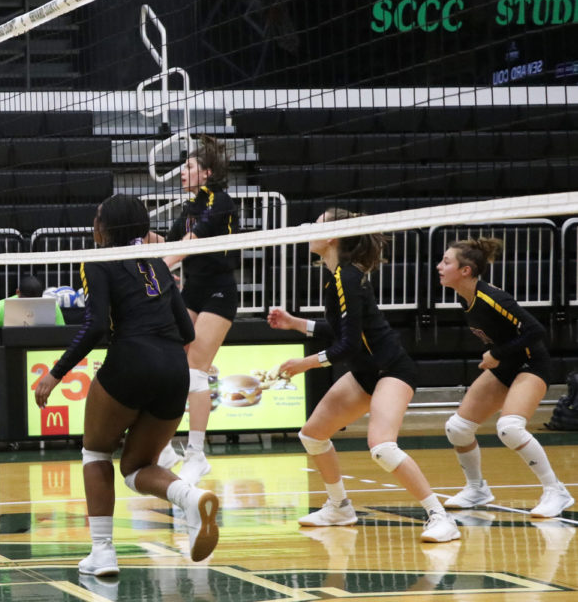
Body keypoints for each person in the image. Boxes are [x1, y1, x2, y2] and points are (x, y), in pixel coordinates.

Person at [34, 195, 220, 575]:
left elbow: (96, 326)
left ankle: (102, 553)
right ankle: (191, 496)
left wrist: (57, 372)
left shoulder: (99, 260)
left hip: (132, 359)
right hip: (174, 368)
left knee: (96, 454)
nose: (93, 221)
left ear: (106, 226)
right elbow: (187, 331)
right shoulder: (157, 264)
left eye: (98, 216)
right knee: (137, 467)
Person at [267, 208, 460, 543]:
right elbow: (344, 331)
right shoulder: (338, 275)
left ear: (332, 237)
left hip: (391, 370)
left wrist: (306, 363)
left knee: (382, 446)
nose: (310, 227)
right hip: (365, 371)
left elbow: (347, 344)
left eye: (318, 223)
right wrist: (296, 323)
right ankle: (339, 506)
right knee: (313, 435)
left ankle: (440, 516)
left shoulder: (346, 277)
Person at [437, 237, 574, 518]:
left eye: (446, 261)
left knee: (510, 428)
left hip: (530, 364)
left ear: (465, 270)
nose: (439, 266)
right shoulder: (465, 297)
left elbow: (536, 331)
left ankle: (556, 491)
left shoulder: (493, 298)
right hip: (505, 365)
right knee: (458, 428)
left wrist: (497, 353)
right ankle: (476, 489)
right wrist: (499, 356)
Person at [149, 135, 238, 483]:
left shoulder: (222, 203)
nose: (182, 171)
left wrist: (160, 266)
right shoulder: (192, 206)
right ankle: (165, 448)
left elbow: (188, 246)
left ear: (207, 171)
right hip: (193, 292)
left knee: (196, 371)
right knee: (166, 360)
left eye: (188, 166)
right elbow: (169, 242)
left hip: (218, 293)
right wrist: (134, 235)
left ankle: (197, 455)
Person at [0, 273, 66, 327]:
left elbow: (62, 334)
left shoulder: (52, 306)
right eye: (26, 302)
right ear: (17, 292)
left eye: (36, 302)